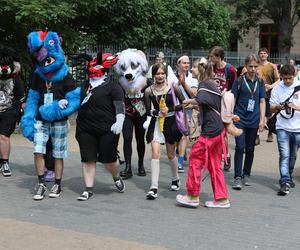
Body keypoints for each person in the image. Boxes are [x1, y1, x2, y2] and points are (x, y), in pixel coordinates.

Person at [21, 31, 80, 200]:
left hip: (59, 121)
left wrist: (59, 108)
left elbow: (75, 98)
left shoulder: (65, 75)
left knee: (58, 153)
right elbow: (32, 97)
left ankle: (57, 183)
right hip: (40, 120)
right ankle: (40, 183)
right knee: (38, 151)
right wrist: (27, 118)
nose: (44, 63)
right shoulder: (38, 75)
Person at [176, 61, 230, 208]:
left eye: (193, 67)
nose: (190, 69)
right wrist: (190, 100)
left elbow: (199, 99)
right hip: (217, 129)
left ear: (199, 70)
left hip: (211, 131)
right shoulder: (209, 84)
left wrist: (187, 96)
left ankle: (192, 195)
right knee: (214, 165)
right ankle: (221, 198)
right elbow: (203, 104)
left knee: (195, 158)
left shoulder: (205, 84)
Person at [76, 52, 125, 201]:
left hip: (107, 130)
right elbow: (74, 102)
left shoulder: (113, 86)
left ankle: (116, 177)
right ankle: (88, 189)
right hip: (85, 128)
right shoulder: (83, 86)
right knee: (88, 159)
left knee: (108, 160)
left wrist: (119, 121)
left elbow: (119, 106)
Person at [144, 63, 183, 200]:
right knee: (155, 153)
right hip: (156, 123)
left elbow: (183, 104)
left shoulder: (173, 87)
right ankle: (153, 187)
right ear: (153, 75)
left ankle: (175, 178)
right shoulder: (148, 91)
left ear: (165, 74)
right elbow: (147, 110)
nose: (160, 76)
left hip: (171, 123)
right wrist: (155, 112)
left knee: (171, 154)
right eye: (157, 74)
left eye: (162, 73)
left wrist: (170, 109)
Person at [231, 54, 266, 190]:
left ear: (258, 67)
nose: (252, 69)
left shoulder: (261, 82)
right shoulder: (239, 81)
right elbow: (233, 97)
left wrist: (262, 119)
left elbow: (262, 101)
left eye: (255, 66)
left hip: (254, 119)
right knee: (240, 147)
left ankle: (247, 174)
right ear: (246, 66)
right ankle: (237, 177)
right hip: (239, 118)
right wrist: (231, 114)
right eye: (250, 66)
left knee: (250, 148)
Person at [269, 64, 300, 196]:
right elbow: (270, 108)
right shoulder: (277, 88)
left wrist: (295, 107)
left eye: (290, 78)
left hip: (297, 128)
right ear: (281, 77)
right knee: (284, 155)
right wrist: (277, 107)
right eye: (285, 78)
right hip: (282, 127)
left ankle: (289, 175)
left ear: (295, 75)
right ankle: (285, 181)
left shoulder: (298, 87)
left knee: (292, 156)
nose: (288, 81)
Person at [209, 46, 237, 171]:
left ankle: (226, 155)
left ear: (219, 57)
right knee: (214, 131)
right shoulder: (211, 68)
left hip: (225, 103)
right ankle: (216, 155)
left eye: (212, 56)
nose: (210, 59)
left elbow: (235, 88)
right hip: (213, 103)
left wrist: (226, 93)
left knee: (223, 132)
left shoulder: (230, 69)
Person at [0, 47, 25, 177]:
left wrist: (17, 111)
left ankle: (5, 162)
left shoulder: (16, 80)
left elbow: (21, 96)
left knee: (4, 137)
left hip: (9, 112)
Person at [174, 54, 199, 173]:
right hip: (173, 110)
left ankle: (179, 162)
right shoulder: (170, 76)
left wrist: (184, 84)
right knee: (174, 136)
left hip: (186, 110)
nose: (187, 65)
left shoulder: (193, 79)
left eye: (188, 63)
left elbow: (194, 94)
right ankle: (175, 155)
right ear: (177, 64)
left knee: (184, 135)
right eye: (184, 63)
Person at [256, 47, 280, 144]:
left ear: (267, 55)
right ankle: (256, 136)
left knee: (269, 115)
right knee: (257, 114)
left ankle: (270, 132)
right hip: (257, 94)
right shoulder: (255, 66)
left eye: (264, 53)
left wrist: (270, 86)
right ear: (259, 55)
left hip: (268, 94)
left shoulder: (272, 66)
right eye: (261, 53)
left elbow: (278, 80)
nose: (262, 55)